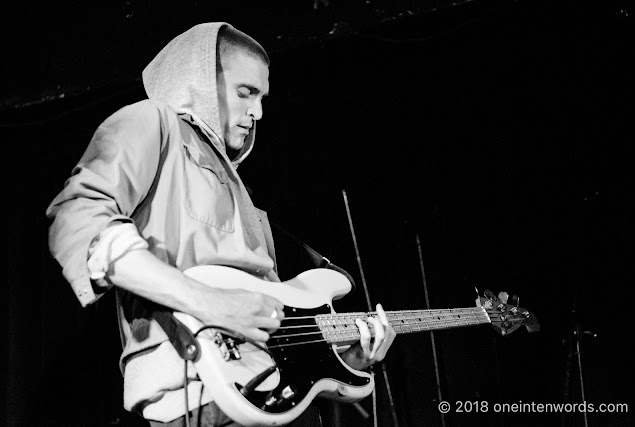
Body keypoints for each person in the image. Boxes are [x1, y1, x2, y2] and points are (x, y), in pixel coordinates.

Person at [46, 22, 396, 426]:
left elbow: (272, 328)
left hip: (273, 400)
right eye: (246, 92)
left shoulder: (244, 199)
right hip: (196, 396)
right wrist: (209, 301)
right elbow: (78, 216)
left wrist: (348, 359)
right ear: (199, 83)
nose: (258, 112)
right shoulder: (153, 121)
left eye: (262, 97)